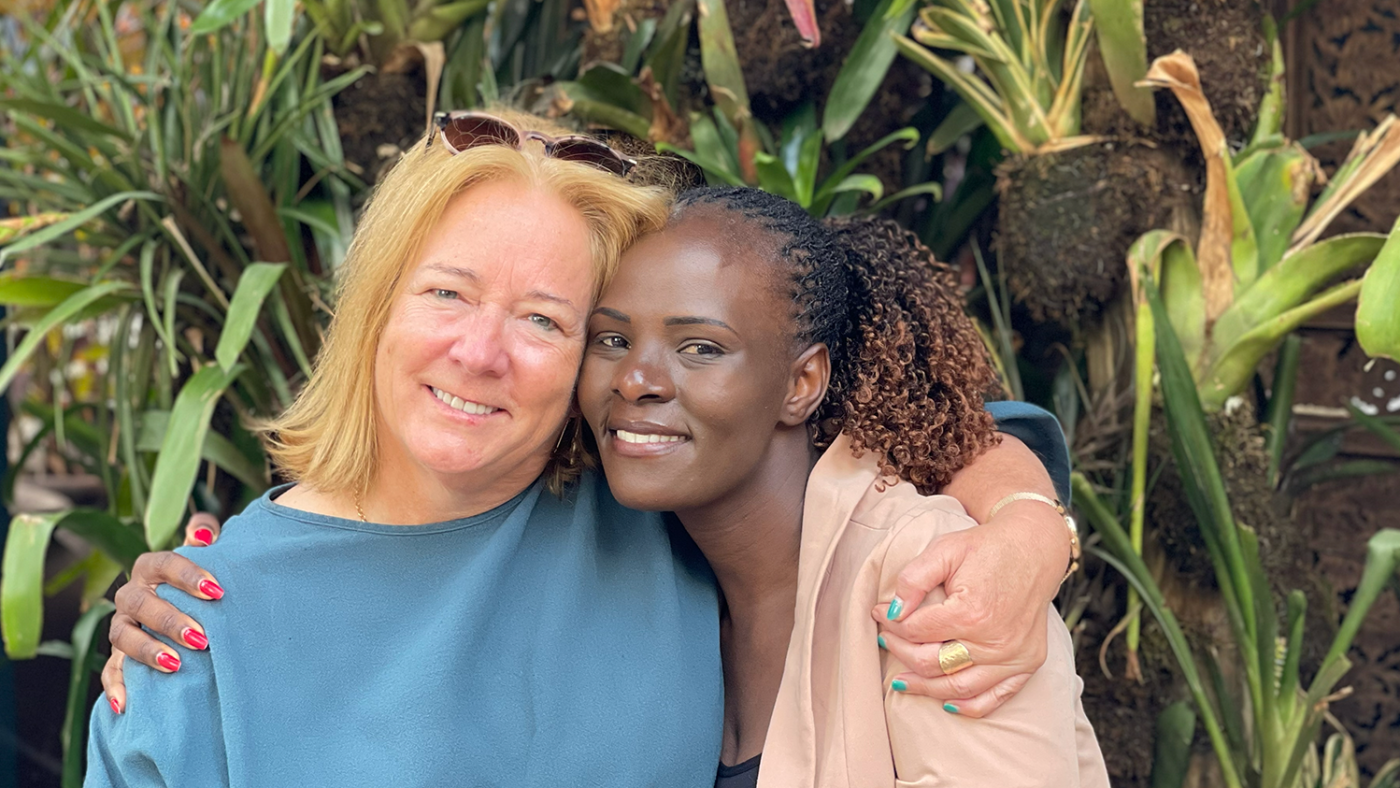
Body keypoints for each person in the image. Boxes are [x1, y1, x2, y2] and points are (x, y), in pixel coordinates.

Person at [92, 113, 1078, 785]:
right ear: (373, 304)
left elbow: (931, 437)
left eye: (544, 319)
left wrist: (1027, 529)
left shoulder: (641, 505)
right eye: (446, 291)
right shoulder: (194, 626)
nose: (479, 352)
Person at [578, 186, 1107, 786]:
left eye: (700, 347)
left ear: (802, 382)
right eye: (612, 340)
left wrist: (1030, 520)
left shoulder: (930, 582)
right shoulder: (637, 566)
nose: (635, 380)